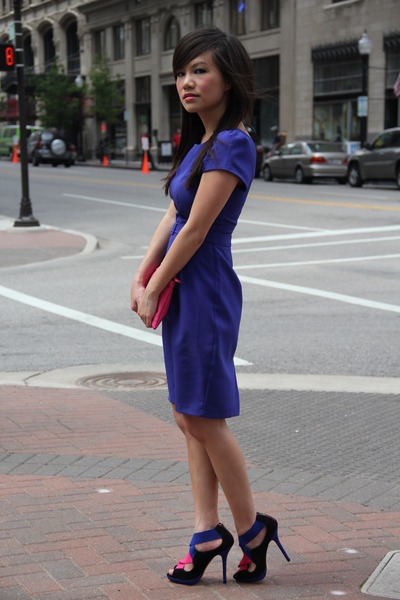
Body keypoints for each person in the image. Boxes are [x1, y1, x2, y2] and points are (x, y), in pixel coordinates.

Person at [130, 26, 290, 586]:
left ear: (230, 77)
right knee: (189, 413)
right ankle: (206, 531)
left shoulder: (234, 143)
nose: (186, 81)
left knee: (200, 415)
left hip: (206, 290)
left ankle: (250, 531)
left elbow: (197, 230)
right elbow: (171, 216)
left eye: (199, 70)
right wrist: (143, 272)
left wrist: (155, 286)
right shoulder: (200, 144)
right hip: (184, 287)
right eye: (181, 72)